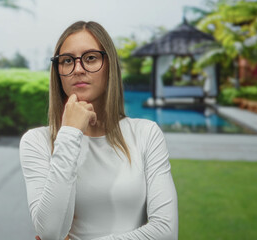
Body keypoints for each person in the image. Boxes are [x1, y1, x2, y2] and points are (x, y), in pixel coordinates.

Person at [19, 21, 178, 240]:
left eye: (90, 58)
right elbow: (50, 232)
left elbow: (166, 232)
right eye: (67, 61)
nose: (78, 69)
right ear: (58, 71)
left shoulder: (145, 133)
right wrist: (70, 133)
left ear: (109, 64)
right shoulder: (36, 142)